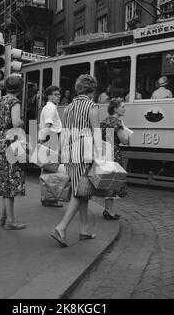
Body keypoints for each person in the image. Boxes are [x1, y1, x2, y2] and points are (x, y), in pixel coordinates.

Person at [51, 74, 101, 247]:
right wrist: (100, 154)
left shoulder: (68, 107)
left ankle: (85, 229)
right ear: (92, 90)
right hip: (85, 152)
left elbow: (64, 132)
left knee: (82, 190)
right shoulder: (92, 106)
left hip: (70, 152)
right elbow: (96, 132)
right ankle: (61, 227)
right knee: (80, 192)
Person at [0, 75, 26, 230]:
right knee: (11, 180)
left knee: (4, 179)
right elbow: (15, 122)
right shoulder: (14, 101)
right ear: (20, 88)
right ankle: (11, 221)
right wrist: (22, 122)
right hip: (10, 140)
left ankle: (4, 217)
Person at [100, 98, 130, 220]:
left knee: (108, 181)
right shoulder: (118, 122)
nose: (124, 108)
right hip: (115, 154)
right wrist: (127, 133)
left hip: (105, 152)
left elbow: (106, 138)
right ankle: (109, 211)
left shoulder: (104, 121)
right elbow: (124, 140)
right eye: (122, 106)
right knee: (115, 181)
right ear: (116, 109)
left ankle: (108, 210)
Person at [39, 85, 63, 208]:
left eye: (59, 94)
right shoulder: (51, 108)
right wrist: (43, 140)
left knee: (47, 169)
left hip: (49, 138)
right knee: (51, 170)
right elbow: (48, 124)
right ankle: (50, 198)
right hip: (51, 138)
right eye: (55, 94)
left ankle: (47, 197)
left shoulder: (48, 107)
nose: (58, 96)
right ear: (49, 96)